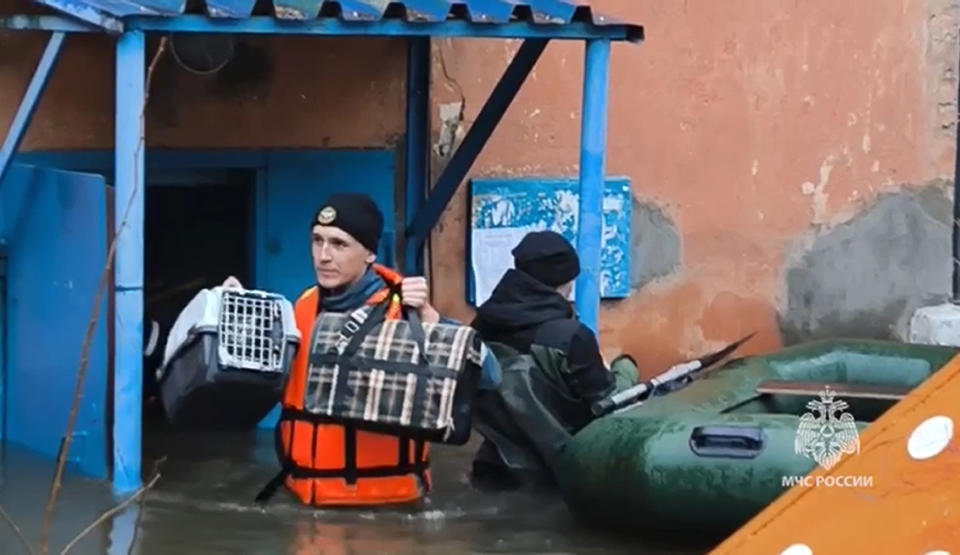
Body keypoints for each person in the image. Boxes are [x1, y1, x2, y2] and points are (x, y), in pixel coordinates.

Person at [227, 192, 499, 507]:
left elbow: (491, 378)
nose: (323, 255)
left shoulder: (405, 311)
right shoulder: (303, 307)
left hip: (387, 510)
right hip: (303, 502)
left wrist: (431, 318)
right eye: (317, 240)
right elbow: (254, 378)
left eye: (339, 244)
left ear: (370, 253)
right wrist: (237, 312)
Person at [469, 230, 639, 489]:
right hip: (557, 474)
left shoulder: (481, 324)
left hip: (493, 470)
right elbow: (610, 405)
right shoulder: (569, 336)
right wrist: (625, 368)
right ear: (565, 281)